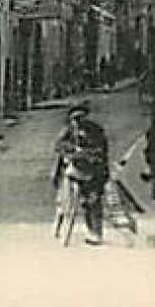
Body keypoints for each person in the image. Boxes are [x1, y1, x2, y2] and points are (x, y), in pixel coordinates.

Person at [53, 101, 110, 245]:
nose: (77, 122)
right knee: (69, 198)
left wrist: (90, 154)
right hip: (75, 170)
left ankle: (96, 232)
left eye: (80, 118)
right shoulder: (68, 131)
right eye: (75, 119)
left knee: (93, 200)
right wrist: (72, 150)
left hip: (93, 170)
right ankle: (63, 220)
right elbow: (59, 146)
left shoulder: (95, 130)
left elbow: (102, 150)